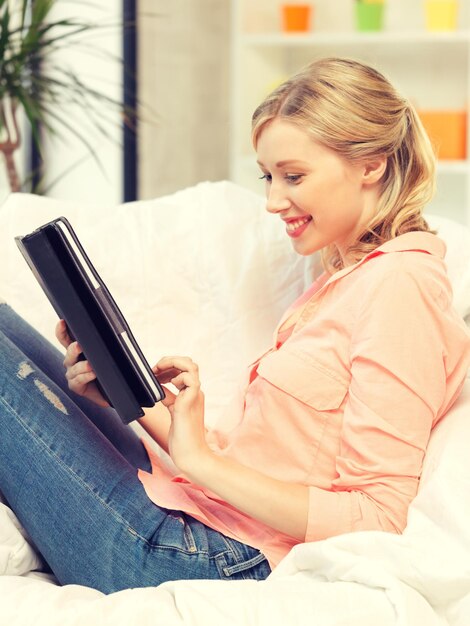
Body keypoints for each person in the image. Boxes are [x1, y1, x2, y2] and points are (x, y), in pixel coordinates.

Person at [1, 57, 469, 594]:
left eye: (293, 176)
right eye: (268, 177)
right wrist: (136, 402)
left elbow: (380, 515)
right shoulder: (346, 279)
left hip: (207, 557)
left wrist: (201, 461)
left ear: (373, 164)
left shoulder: (401, 287)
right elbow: (259, 468)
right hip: (194, 510)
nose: (272, 201)